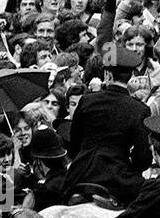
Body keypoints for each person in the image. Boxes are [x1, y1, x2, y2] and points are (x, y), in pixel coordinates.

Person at [56, 43, 152, 205]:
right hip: (119, 179)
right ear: (131, 76)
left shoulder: (87, 100)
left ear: (107, 73)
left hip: (80, 174)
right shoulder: (140, 109)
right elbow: (142, 157)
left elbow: (75, 143)